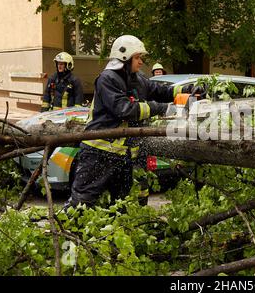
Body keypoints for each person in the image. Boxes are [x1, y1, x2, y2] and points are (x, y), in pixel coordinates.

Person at [65, 35, 203, 209]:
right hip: (97, 153)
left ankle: (114, 234)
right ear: (125, 57)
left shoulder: (136, 79)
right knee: (82, 202)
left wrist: (187, 90)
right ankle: (67, 234)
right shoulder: (107, 79)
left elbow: (160, 90)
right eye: (137, 57)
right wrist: (160, 108)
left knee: (121, 205)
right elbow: (124, 109)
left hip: (122, 155)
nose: (140, 62)